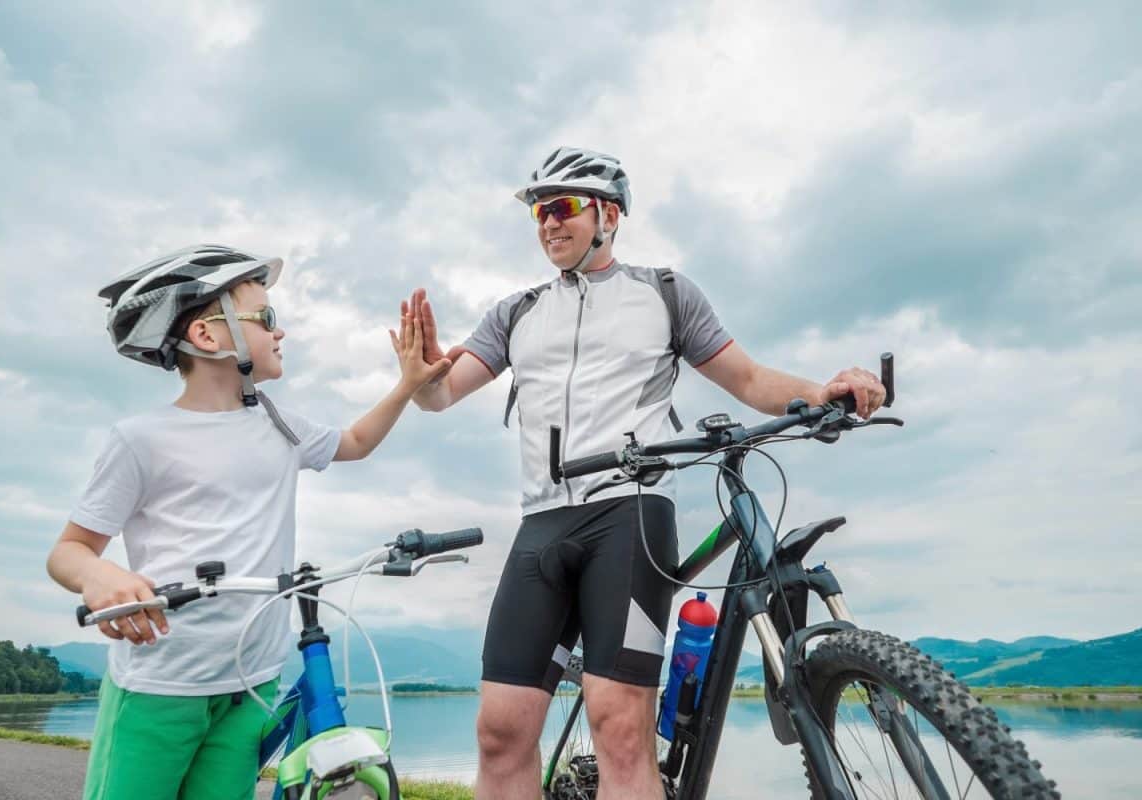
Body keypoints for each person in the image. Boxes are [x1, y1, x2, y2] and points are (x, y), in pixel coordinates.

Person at [399, 147, 886, 800]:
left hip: (630, 510)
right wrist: (417, 379)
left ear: (608, 215)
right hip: (542, 523)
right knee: (500, 730)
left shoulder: (665, 294)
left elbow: (746, 377)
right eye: (540, 211)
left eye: (563, 207)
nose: (548, 223)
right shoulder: (515, 313)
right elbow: (440, 395)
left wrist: (820, 392)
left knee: (621, 726)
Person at [46, 244, 449, 800]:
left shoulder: (278, 424)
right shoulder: (141, 440)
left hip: (249, 686)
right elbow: (69, 551)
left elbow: (354, 442)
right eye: (267, 318)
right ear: (209, 336)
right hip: (161, 685)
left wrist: (407, 385)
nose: (280, 333)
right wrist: (101, 578)